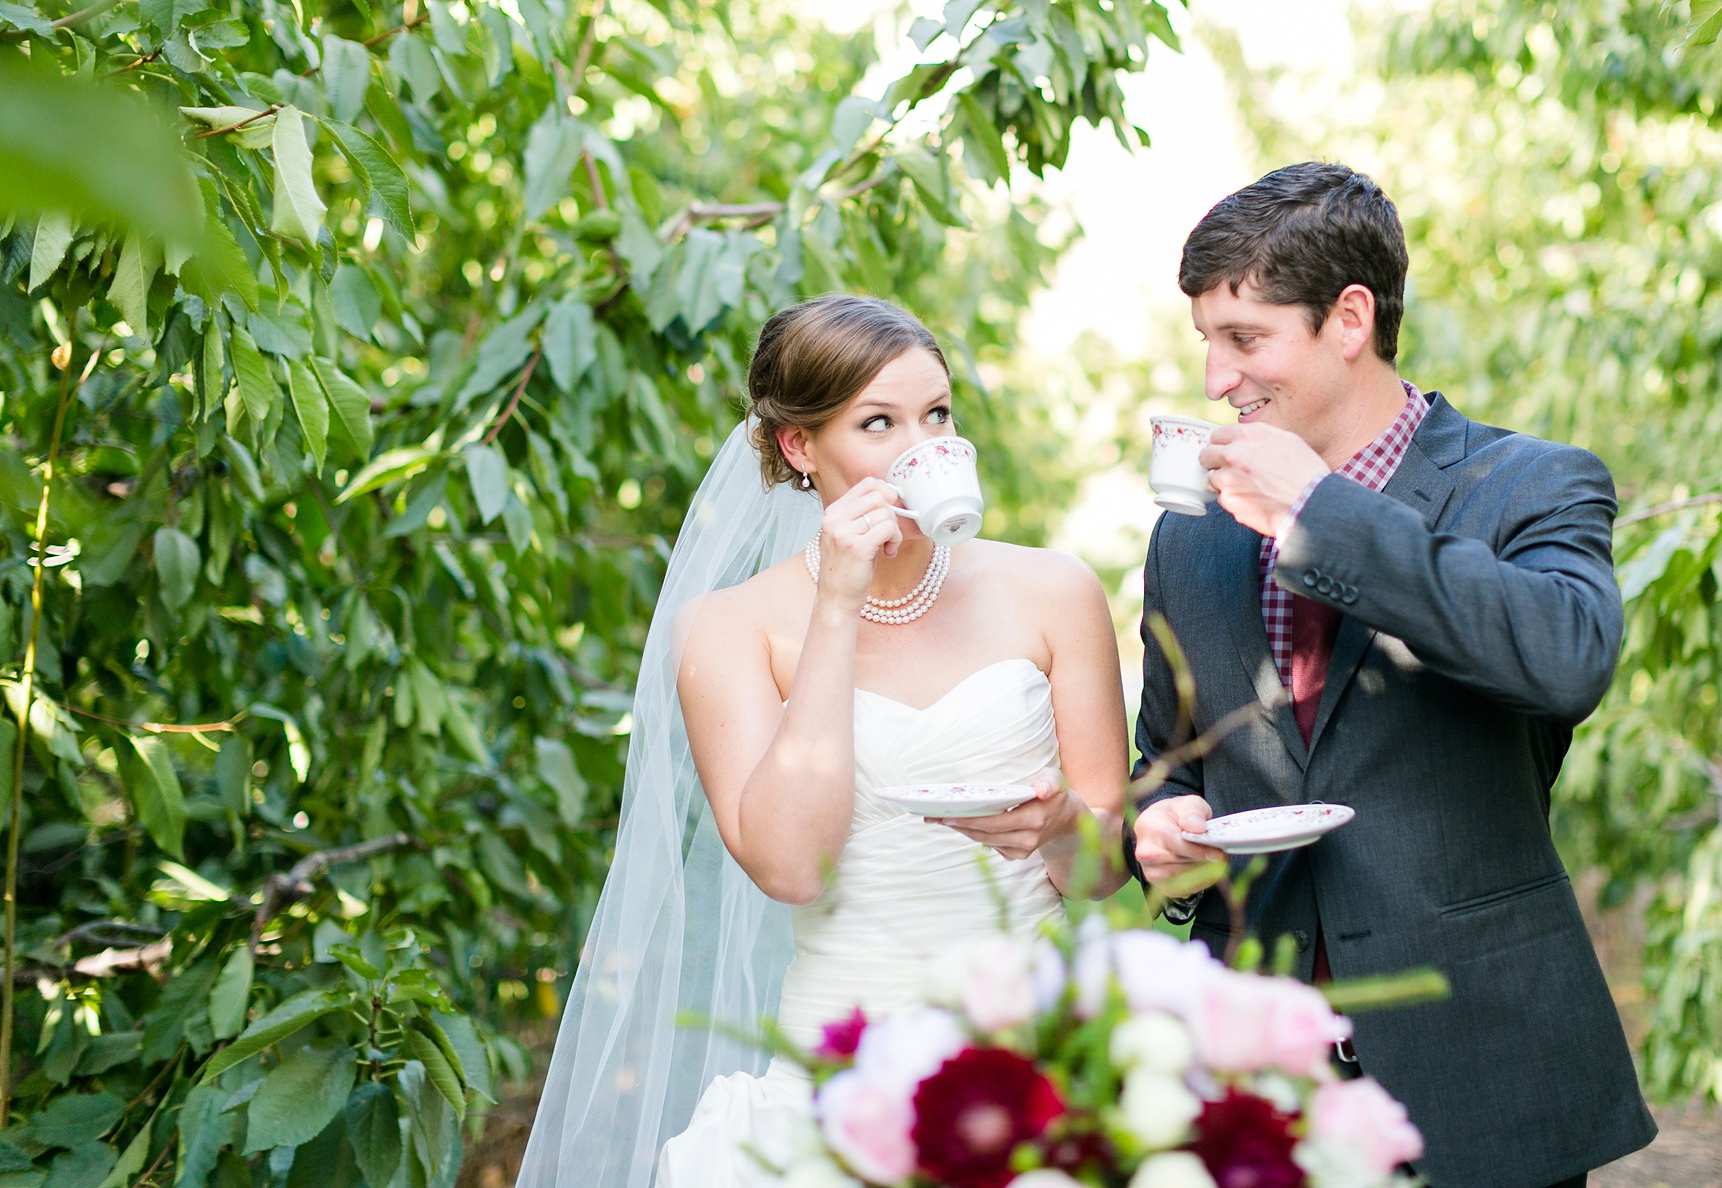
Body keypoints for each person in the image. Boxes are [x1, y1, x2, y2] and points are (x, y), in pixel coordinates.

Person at [516, 295, 1129, 1188]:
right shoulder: (727, 628)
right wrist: (837, 602)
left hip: (1038, 1054)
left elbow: (1106, 872)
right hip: (842, 1074)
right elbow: (794, 867)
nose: (921, 446)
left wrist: (1064, 823)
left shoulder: (1056, 590)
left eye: (937, 414)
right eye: (878, 422)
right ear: (800, 448)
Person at [1128, 162, 1656, 1188]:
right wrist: (1155, 826)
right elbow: (1165, 759)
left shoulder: (1528, 482)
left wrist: (1321, 513)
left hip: (1485, 1077)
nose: (1214, 379)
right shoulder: (1185, 540)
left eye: (1243, 339)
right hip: (1251, 1088)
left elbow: (1565, 661)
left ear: (1348, 318)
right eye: (1205, 343)